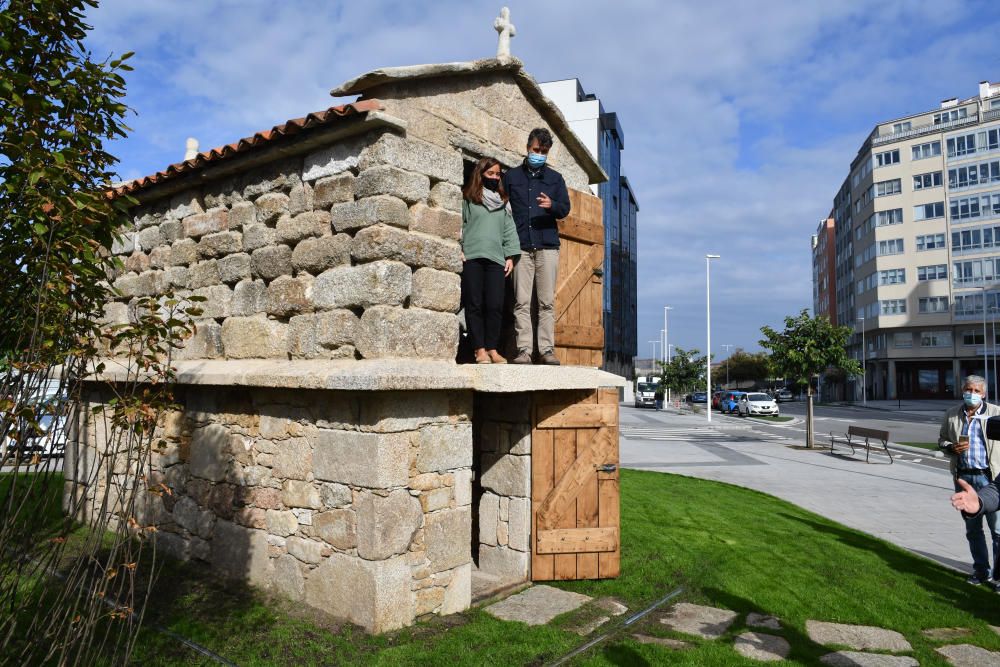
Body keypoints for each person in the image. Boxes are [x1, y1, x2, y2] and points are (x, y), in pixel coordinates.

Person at [502, 128, 571, 365]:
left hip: (547, 246)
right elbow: (502, 210)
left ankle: (546, 350)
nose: (539, 154)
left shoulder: (555, 179)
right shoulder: (511, 177)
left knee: (546, 302)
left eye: (544, 151)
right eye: (536, 150)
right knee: (521, 302)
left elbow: (565, 209)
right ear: (527, 147)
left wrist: (552, 205)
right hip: (520, 246)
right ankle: (524, 351)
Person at [940, 375, 1000, 587]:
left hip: (989, 477)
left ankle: (998, 576)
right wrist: (950, 447)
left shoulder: (995, 413)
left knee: (998, 530)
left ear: (983, 393)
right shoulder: (952, 414)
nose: (971, 394)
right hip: (964, 477)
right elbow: (942, 439)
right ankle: (980, 571)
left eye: (976, 391)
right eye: (968, 389)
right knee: (973, 530)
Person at [460, 157, 520, 364]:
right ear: (481, 174)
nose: (495, 177)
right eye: (490, 174)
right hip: (473, 256)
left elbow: (509, 231)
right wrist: (458, 248)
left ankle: (493, 349)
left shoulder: (503, 204)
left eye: (497, 174)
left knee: (495, 305)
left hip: (496, 259)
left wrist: (510, 256)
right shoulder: (468, 199)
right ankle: (479, 349)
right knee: (474, 303)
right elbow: (459, 224)